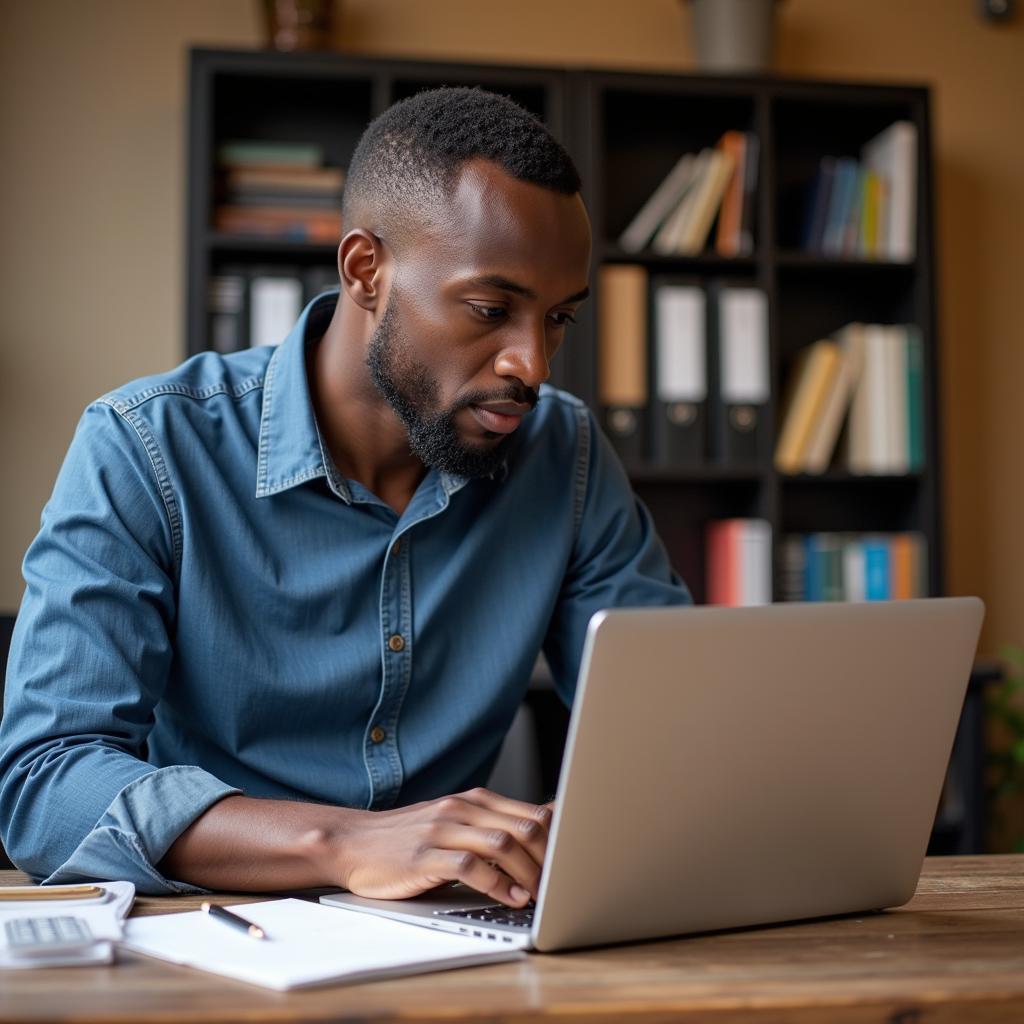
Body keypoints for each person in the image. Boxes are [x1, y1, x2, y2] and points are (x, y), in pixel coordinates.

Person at [0, 87, 689, 902]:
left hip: (458, 942)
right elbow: (46, 786)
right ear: (367, 270)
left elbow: (674, 722)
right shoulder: (146, 447)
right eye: (490, 309)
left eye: (559, 320)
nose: (531, 365)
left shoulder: (562, 452)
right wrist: (344, 844)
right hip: (214, 944)